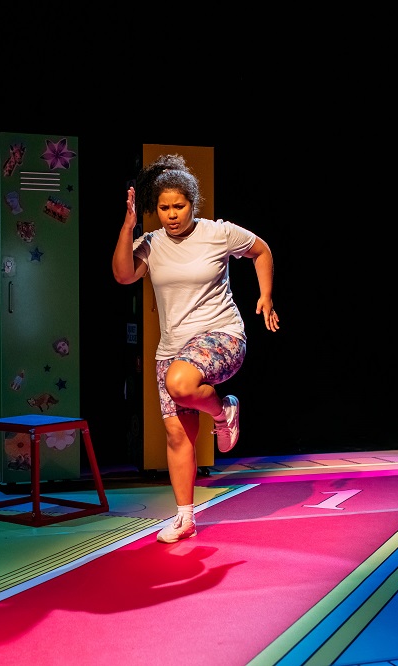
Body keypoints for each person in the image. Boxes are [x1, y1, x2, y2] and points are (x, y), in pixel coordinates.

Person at [112, 154, 280, 543]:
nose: (172, 215)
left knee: (181, 382)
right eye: (164, 208)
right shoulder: (150, 244)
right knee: (177, 434)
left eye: (179, 206)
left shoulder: (218, 233)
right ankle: (185, 517)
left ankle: (224, 412)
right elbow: (122, 275)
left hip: (222, 336)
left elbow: (262, 250)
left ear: (193, 203)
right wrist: (128, 225)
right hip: (172, 347)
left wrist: (266, 296)